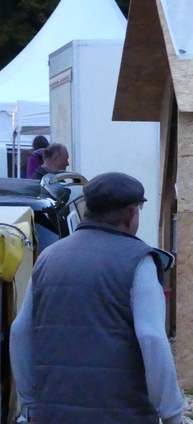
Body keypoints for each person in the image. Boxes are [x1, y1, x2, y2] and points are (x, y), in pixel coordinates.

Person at [10, 172, 184, 424]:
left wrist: (30, 404)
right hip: (121, 415)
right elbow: (152, 338)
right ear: (130, 214)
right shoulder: (139, 261)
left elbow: (20, 331)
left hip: (53, 414)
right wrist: (172, 414)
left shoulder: (48, 257)